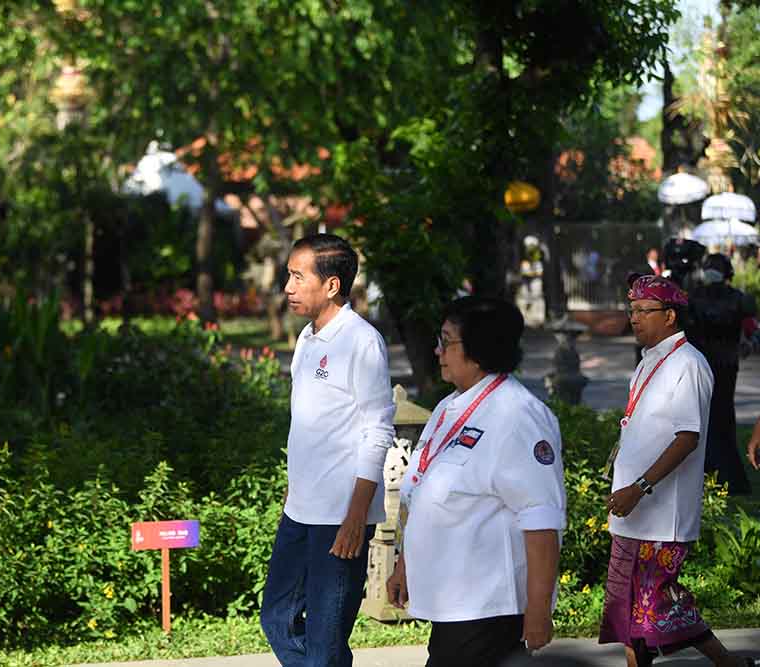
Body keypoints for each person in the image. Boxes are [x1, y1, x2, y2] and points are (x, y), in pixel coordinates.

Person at [386, 297, 566, 667]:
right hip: (455, 605)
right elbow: (420, 490)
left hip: (490, 608)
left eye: (447, 341)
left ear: (480, 350)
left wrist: (537, 610)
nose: (438, 351)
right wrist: (405, 565)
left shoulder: (518, 416)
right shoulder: (450, 407)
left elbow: (541, 520)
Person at [600, 274, 757, 667]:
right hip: (631, 511)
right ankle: (726, 662)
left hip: (661, 515)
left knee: (656, 604)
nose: (634, 318)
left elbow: (687, 439)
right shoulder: (647, 362)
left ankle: (727, 661)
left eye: (643, 311)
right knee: (629, 608)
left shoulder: (688, 363)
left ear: (670, 316)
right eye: (631, 310)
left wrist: (638, 487)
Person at [260, 233, 396, 667]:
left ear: (332, 285)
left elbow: (378, 430)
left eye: (298, 277)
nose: (288, 287)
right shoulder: (306, 339)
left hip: (340, 517)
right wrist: (292, 490)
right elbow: (308, 427)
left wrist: (357, 516)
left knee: (325, 640)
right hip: (300, 510)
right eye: (288, 276)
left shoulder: (362, 342)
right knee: (276, 619)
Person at [686, 253, 758, 495]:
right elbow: (752, 331)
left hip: (703, 364)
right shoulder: (739, 299)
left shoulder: (693, 297)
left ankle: (710, 472)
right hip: (725, 364)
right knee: (722, 417)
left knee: (705, 417)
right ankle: (727, 475)